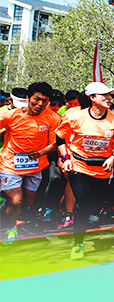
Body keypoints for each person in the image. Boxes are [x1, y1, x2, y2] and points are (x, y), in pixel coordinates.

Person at [56, 82, 114, 259]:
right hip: (79, 165)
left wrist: (113, 158)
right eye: (104, 95)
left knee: (95, 204)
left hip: (102, 168)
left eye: (110, 95)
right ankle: (78, 244)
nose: (108, 98)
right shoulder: (76, 116)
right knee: (83, 202)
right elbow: (59, 138)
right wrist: (65, 158)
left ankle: (86, 218)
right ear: (92, 97)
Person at [0, 82, 60, 243]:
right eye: (37, 99)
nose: (40, 104)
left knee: (28, 201)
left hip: (35, 166)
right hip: (10, 165)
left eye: (45, 101)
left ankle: (6, 205)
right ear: (28, 98)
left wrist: (41, 152)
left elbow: (56, 143)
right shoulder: (10, 116)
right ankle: (11, 229)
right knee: (16, 201)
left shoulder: (52, 118)